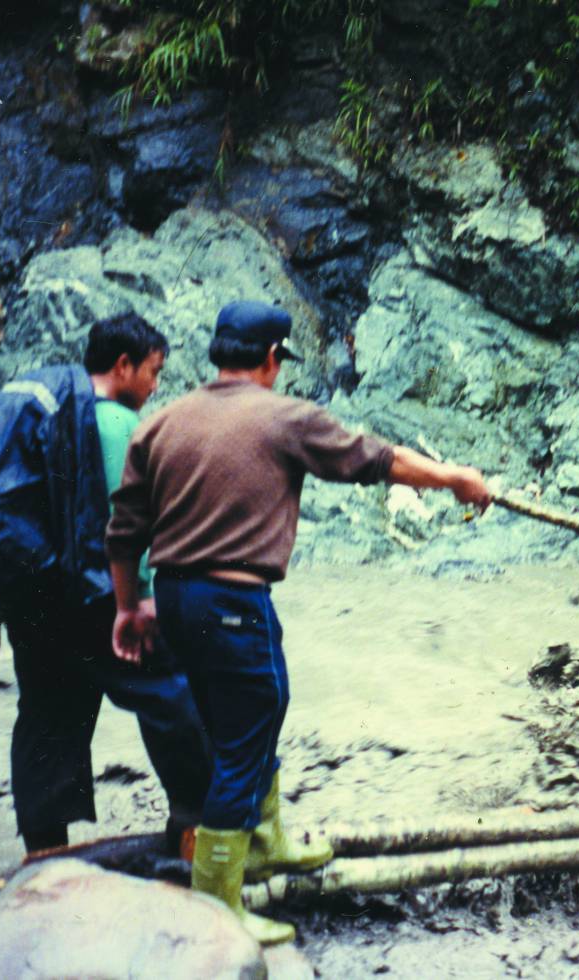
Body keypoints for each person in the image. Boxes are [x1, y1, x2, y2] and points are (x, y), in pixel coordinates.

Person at [106, 300, 494, 946]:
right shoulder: (286, 418)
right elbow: (376, 459)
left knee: (256, 709)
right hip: (234, 599)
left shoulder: (161, 423)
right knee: (244, 736)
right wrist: (453, 478)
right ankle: (218, 907)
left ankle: (266, 841)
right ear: (271, 357)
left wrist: (127, 607)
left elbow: (123, 533)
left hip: (174, 599)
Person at [0, 313, 212, 856]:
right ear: (123, 365)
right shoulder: (116, 423)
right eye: (154, 371)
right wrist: (143, 599)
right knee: (169, 694)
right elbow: (128, 526)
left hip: (32, 598)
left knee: (49, 714)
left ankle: (44, 849)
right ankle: (198, 827)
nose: (155, 385)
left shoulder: (46, 411)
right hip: (95, 598)